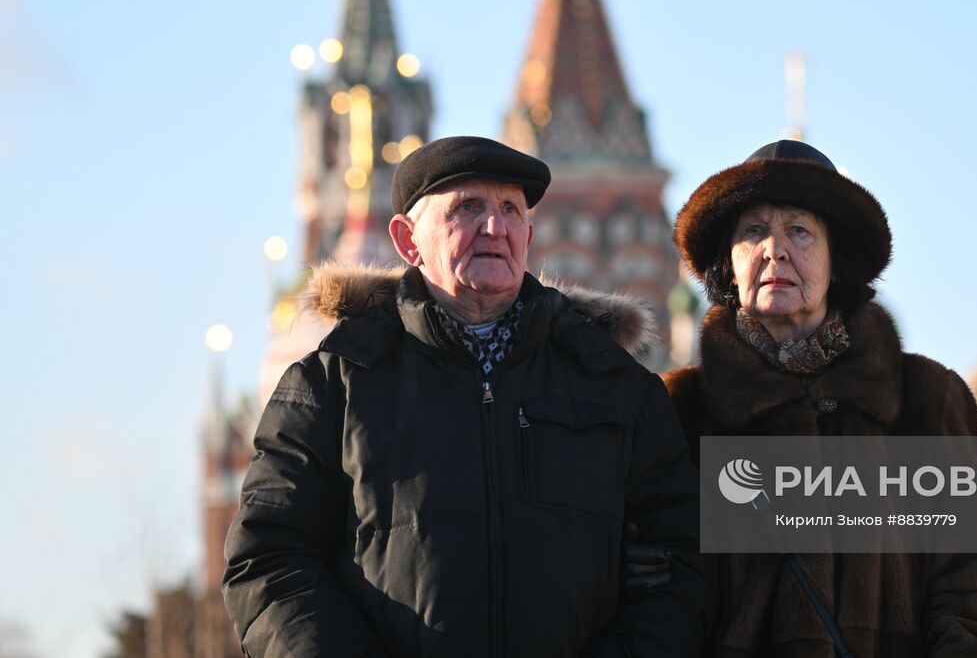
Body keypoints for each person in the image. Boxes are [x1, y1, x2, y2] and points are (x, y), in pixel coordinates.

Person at [223, 136, 710, 657]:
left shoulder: (612, 384)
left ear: (529, 234)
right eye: (467, 208)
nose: (494, 227)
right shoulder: (336, 384)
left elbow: (682, 561)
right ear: (408, 241)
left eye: (509, 210)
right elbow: (269, 559)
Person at [663, 139, 977, 657]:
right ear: (728, 265)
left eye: (799, 230)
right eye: (754, 231)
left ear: (835, 261)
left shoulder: (925, 402)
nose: (775, 249)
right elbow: (654, 592)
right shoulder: (679, 410)